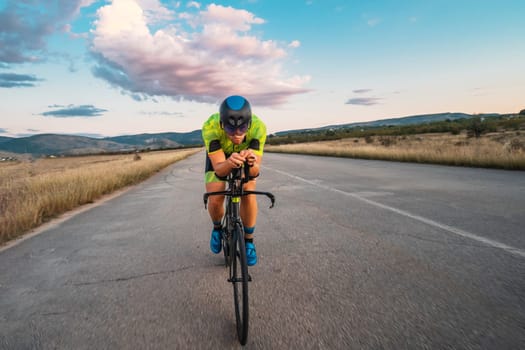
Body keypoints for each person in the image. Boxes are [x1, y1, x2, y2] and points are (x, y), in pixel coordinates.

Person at [202, 95, 267, 266]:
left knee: (248, 192)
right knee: (215, 197)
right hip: (221, 158)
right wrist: (229, 162)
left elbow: (254, 172)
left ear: (250, 124)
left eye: (243, 128)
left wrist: (251, 162)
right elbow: (219, 170)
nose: (237, 136)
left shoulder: (259, 128)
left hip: (246, 156)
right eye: (230, 130)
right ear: (222, 124)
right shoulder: (210, 126)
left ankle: (249, 241)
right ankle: (217, 228)